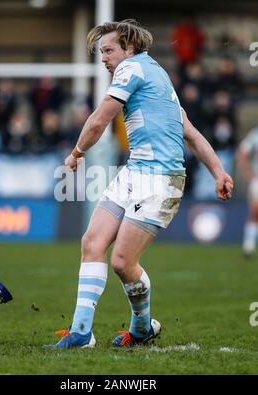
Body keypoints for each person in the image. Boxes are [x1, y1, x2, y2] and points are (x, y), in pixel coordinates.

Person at [45, 19, 233, 349]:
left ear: (129, 49)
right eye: (100, 51)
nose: (103, 58)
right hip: (135, 171)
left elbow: (100, 119)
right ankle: (81, 332)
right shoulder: (157, 75)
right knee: (91, 242)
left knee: (121, 262)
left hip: (161, 179)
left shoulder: (131, 69)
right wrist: (218, 171)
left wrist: (76, 153)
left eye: (108, 50)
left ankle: (142, 328)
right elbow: (188, 129)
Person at [237, 126, 258, 258]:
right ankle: (249, 246)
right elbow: (242, 152)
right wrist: (248, 172)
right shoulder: (256, 134)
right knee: (255, 211)